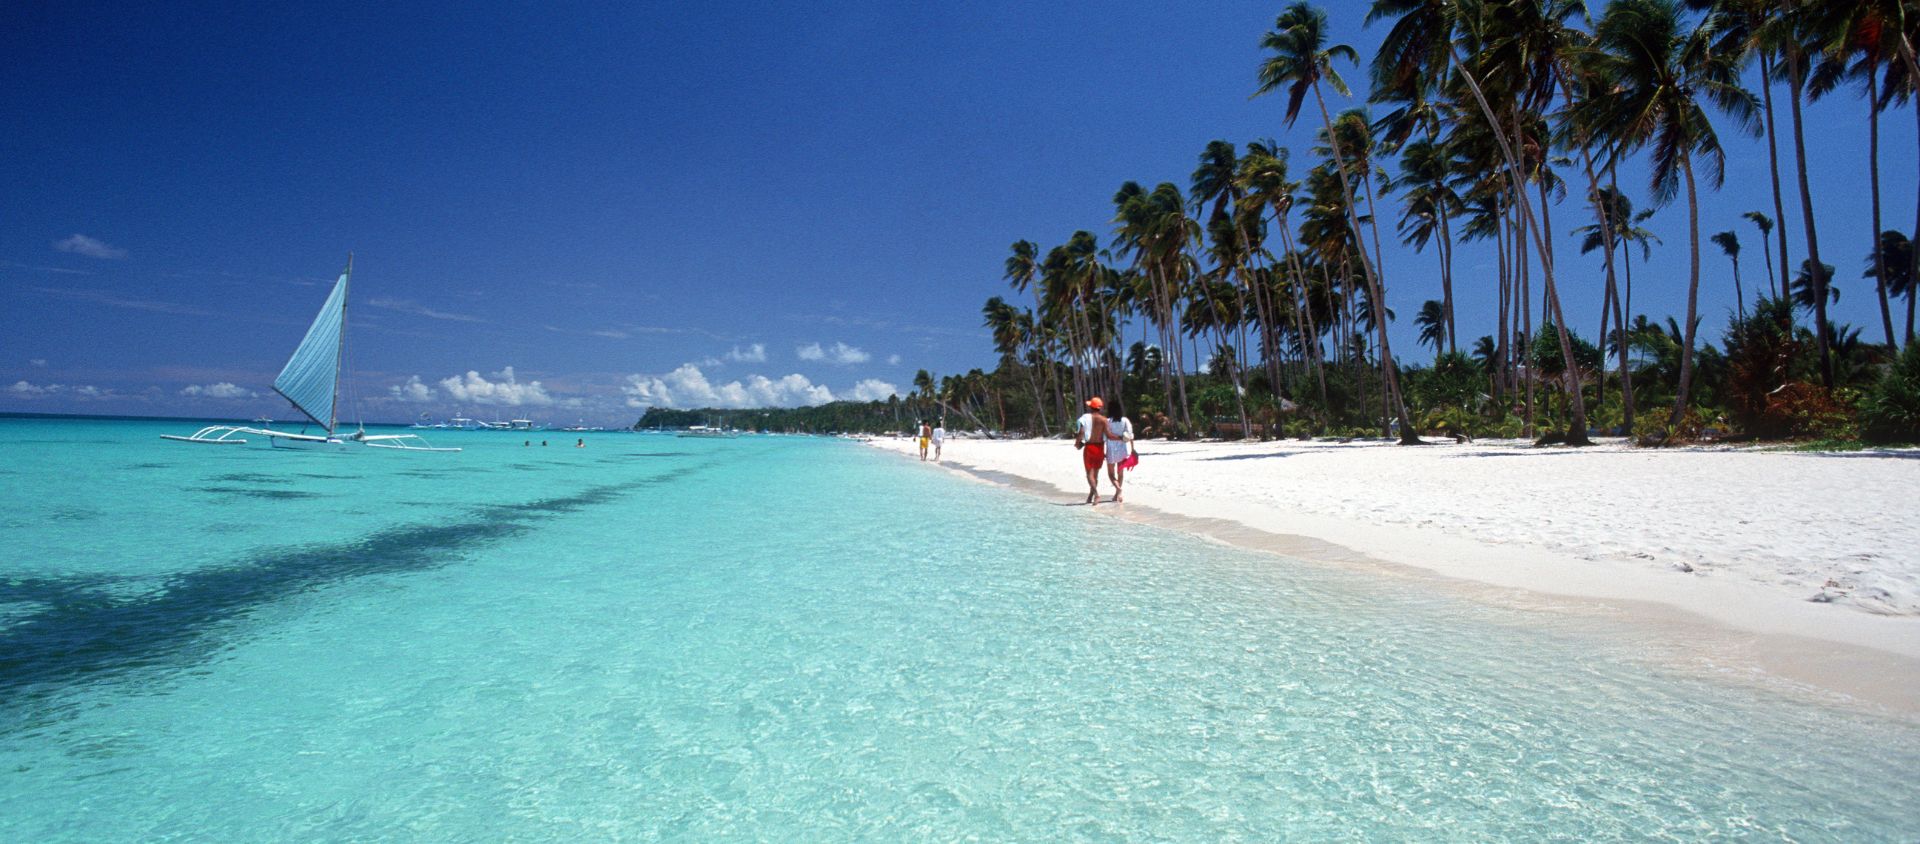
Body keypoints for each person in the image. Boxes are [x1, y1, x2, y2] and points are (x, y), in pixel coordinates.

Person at [1073, 397, 1108, 505]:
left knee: (1089, 474)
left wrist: (1077, 443)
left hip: (1090, 447)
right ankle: (1090, 496)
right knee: (1095, 474)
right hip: (1100, 447)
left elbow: (1081, 432)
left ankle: (1096, 494)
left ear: (1090, 407)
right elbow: (1108, 435)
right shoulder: (1104, 420)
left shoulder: (1085, 417)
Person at [1104, 402, 1135, 503]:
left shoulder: (1107, 421)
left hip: (1111, 449)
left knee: (1111, 474)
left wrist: (1103, 451)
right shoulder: (1125, 420)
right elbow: (1130, 435)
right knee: (1120, 472)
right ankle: (1117, 494)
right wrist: (1132, 449)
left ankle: (1118, 489)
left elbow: (1105, 437)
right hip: (1122, 448)